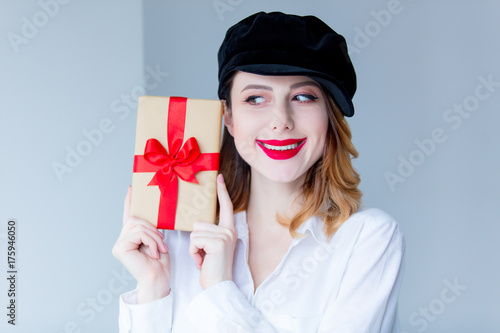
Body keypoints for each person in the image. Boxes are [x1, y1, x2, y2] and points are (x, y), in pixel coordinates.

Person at [113, 11, 405, 333]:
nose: (281, 120)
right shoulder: (178, 238)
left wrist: (219, 288)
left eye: (303, 97)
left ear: (330, 116)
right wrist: (152, 287)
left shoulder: (366, 239)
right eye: (255, 98)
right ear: (229, 116)